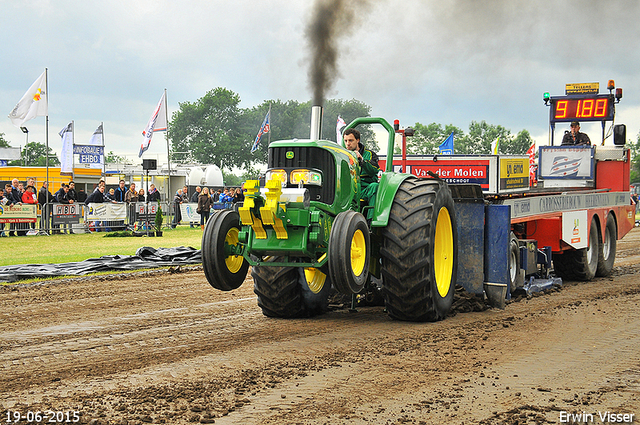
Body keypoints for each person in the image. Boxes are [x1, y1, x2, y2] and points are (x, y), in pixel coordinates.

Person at [343, 128, 380, 219]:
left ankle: (370, 221)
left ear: (358, 140)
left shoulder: (370, 154)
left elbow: (374, 170)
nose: (348, 143)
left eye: (351, 140)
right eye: (346, 141)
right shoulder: (342, 155)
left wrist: (362, 160)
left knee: (374, 186)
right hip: (349, 189)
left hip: (364, 190)